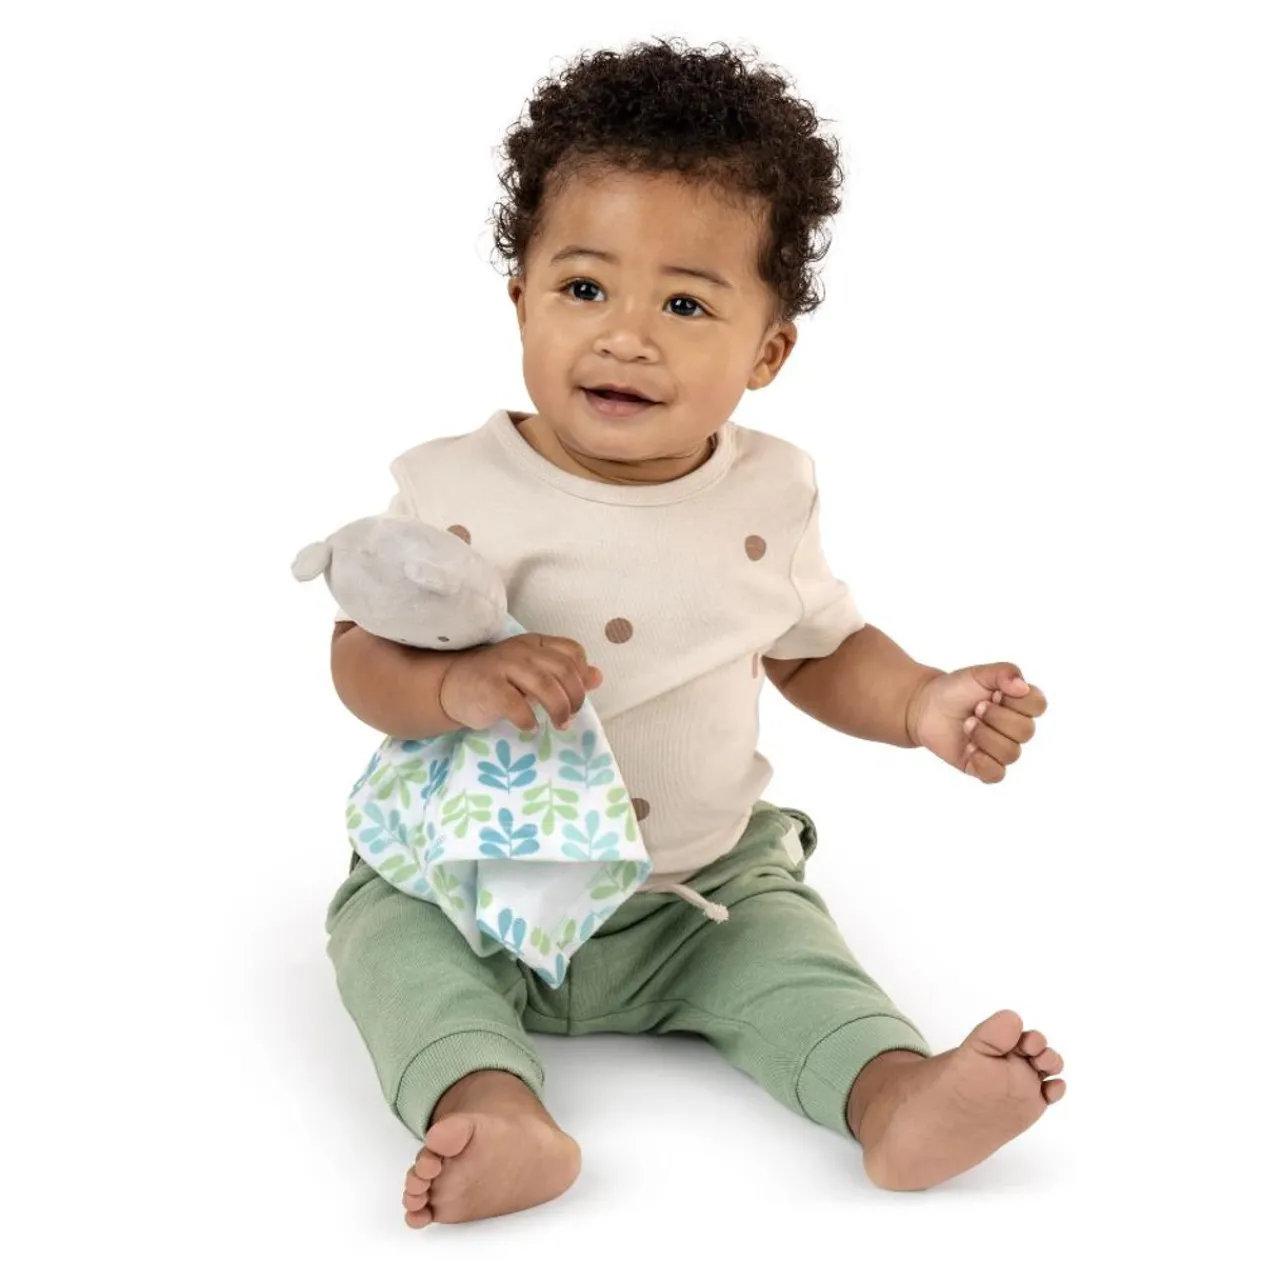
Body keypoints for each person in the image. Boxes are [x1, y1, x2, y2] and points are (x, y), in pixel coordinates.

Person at [324, 37, 1063, 1228]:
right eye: (583, 289)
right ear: (519, 297)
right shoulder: (455, 488)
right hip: (465, 878)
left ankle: (891, 1093)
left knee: (794, 960)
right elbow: (360, 657)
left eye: (682, 303)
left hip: (697, 894)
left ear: (766, 350)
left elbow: (817, 647)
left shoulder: (767, 496)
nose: (625, 335)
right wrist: (454, 687)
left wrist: (921, 699)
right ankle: (494, 1106)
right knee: (390, 951)